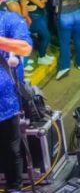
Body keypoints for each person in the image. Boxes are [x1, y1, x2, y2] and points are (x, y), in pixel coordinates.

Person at [0, 11, 33, 193]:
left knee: (10, 150)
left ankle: (14, 187)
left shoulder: (10, 20)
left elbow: (25, 48)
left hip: (6, 104)